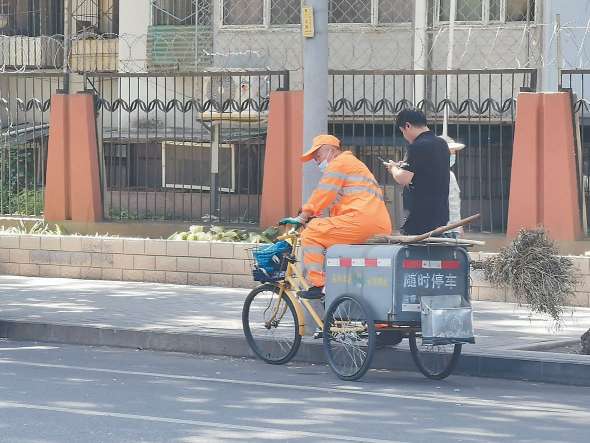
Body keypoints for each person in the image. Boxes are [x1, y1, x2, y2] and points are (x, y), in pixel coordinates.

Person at [280, 134, 392, 299]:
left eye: (317, 156)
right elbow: (335, 203)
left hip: (360, 221)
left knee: (311, 234)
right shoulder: (354, 164)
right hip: (377, 224)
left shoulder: (338, 164)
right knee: (326, 233)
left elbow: (322, 194)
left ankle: (319, 285)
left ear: (330, 151)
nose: (317, 162)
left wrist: (303, 217)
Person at [387, 109, 450, 235]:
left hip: (420, 217)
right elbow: (427, 170)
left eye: (402, 131)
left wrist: (393, 168)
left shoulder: (417, 146)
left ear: (407, 126)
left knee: (414, 253)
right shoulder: (442, 144)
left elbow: (403, 178)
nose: (404, 136)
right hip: (440, 215)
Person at [439, 134, 466, 237]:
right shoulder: (434, 174)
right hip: (443, 231)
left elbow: (454, 202)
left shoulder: (451, 175)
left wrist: (459, 226)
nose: (453, 155)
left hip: (454, 229)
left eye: (454, 152)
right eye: (450, 152)